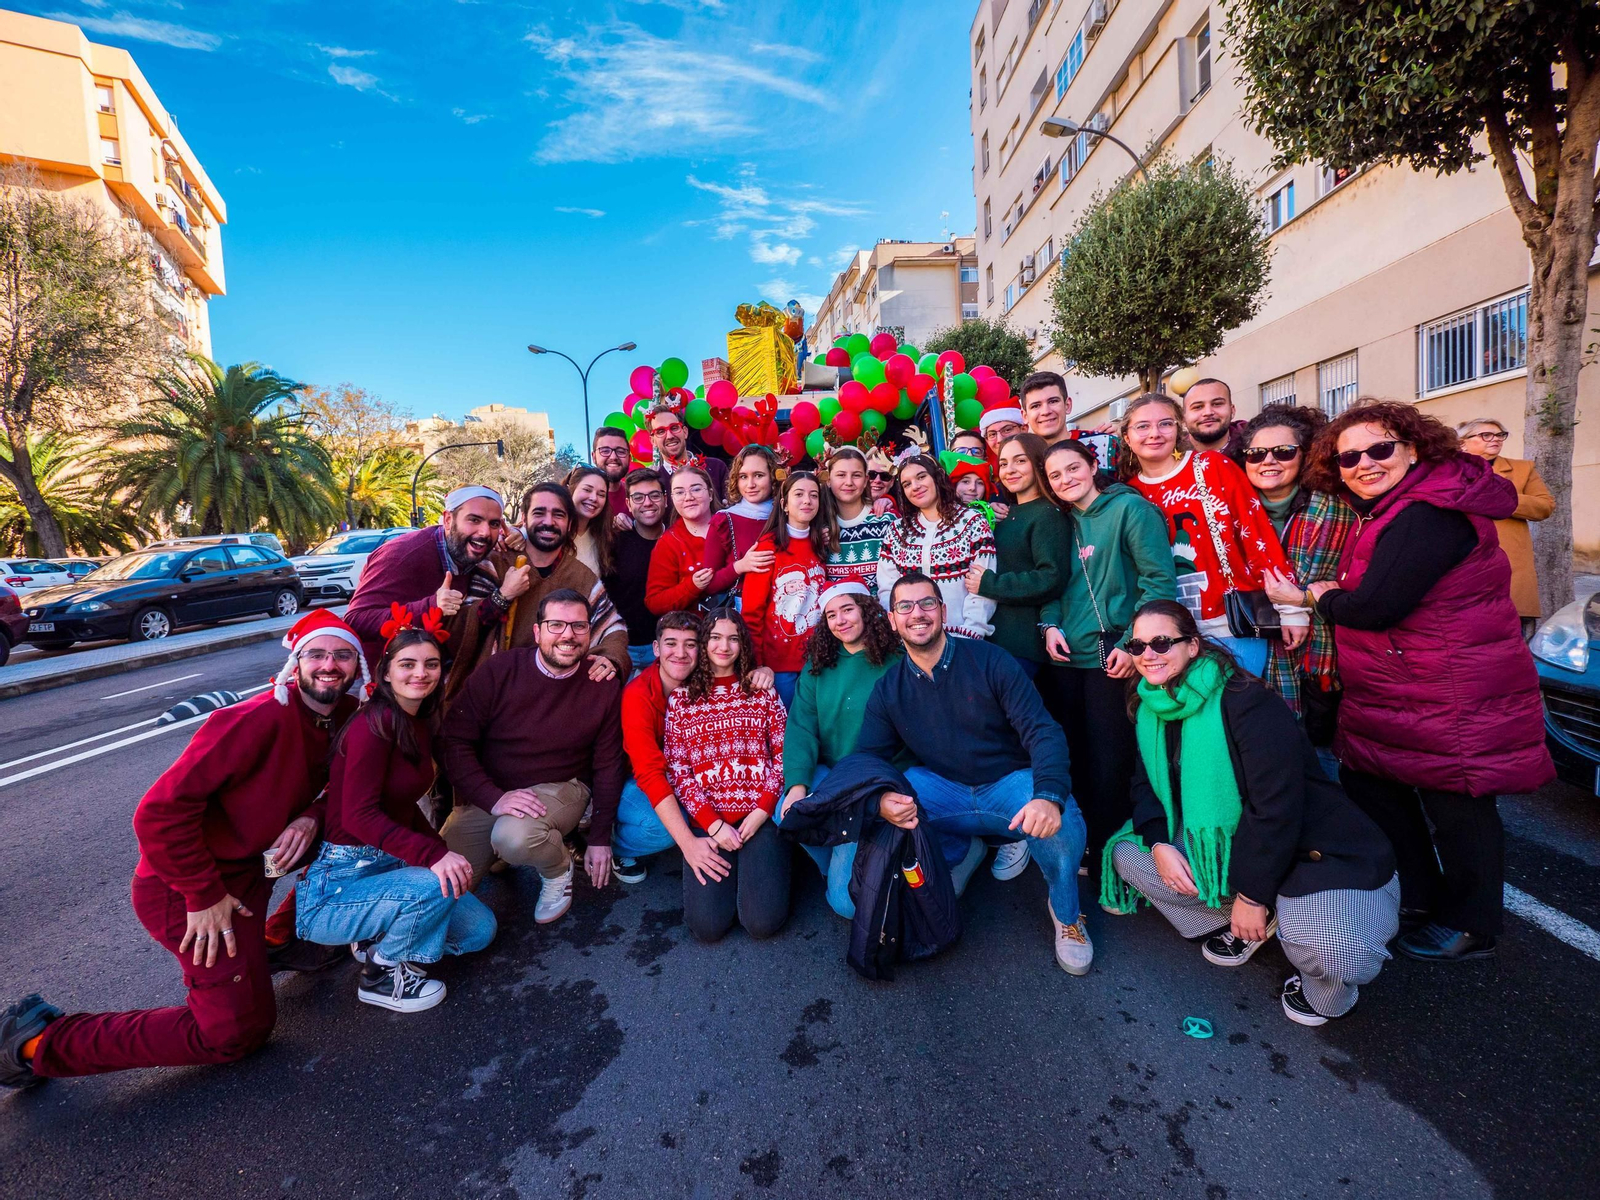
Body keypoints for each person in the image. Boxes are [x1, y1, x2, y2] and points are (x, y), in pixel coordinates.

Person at [1, 612, 363, 1088]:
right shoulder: (253, 719)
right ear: (296, 662)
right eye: (317, 654)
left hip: (253, 874)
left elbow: (348, 790)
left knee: (359, 830)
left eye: (342, 655)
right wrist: (203, 895)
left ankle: (278, 940)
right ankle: (34, 1045)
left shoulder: (341, 718)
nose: (329, 665)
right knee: (236, 1033)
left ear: (359, 667)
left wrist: (311, 815)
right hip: (189, 893)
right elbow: (157, 814)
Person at [1297, 400, 1553, 962]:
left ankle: (1471, 922)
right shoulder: (1401, 506)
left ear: (1414, 448)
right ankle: (1419, 894)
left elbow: (1376, 606)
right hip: (1408, 684)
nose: (1365, 463)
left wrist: (1322, 596)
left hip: (1449, 687)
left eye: (1380, 449)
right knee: (1372, 783)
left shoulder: (1428, 512)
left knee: (1457, 803)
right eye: (1349, 457)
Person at [1103, 601, 1400, 1027]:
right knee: (1132, 857)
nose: (1148, 654)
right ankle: (1253, 920)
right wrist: (1160, 843)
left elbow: (1277, 806)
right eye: (1137, 644)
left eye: (1162, 642)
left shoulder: (1247, 701)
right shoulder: (1152, 704)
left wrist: (1252, 895)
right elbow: (1144, 787)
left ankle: (1315, 976)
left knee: (1338, 953)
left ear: (1192, 645)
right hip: (1242, 843)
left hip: (1311, 849)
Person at [853, 573, 1093, 974]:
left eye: (927, 603)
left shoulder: (990, 660)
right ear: (892, 620)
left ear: (943, 611)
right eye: (905, 607)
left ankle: (1067, 915)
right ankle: (956, 855)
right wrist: (880, 800)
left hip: (1008, 785)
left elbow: (1042, 730)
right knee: (892, 799)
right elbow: (868, 759)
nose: (918, 614)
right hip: (945, 789)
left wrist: (1048, 795)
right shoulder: (888, 689)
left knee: (1063, 816)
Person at [297, 616, 496, 1013]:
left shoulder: (416, 719)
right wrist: (434, 857)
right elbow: (358, 816)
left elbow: (401, 806)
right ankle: (381, 975)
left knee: (479, 931)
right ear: (386, 671)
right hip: (339, 885)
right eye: (408, 664)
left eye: (432, 664)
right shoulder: (375, 725)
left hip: (387, 865)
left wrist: (435, 848)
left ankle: (381, 934)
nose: (421, 673)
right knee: (435, 885)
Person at [438, 589, 626, 924]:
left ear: (589, 633)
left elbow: (609, 764)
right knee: (440, 882)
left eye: (578, 626)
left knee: (513, 837)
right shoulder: (500, 671)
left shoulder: (601, 683)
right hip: (496, 793)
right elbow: (455, 741)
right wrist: (492, 798)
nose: (567, 635)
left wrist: (599, 837)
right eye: (556, 625)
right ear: (537, 632)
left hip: (563, 786)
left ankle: (557, 869)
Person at [1040, 438, 1176, 853]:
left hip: (1113, 654)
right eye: (1055, 475)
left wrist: (1133, 644)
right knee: (1074, 756)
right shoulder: (1060, 521)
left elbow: (1159, 583)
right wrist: (1048, 624)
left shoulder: (1130, 510)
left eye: (1073, 468)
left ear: (1093, 463)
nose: (1066, 479)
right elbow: (1053, 581)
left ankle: (1114, 858)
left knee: (1111, 762)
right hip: (1065, 658)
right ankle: (1084, 845)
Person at [1120, 392, 1309, 677]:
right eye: (1142, 426)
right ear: (1126, 437)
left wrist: (1291, 609)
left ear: (1179, 429)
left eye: (1165, 424)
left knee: (1237, 711)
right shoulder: (1128, 493)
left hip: (1232, 623)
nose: (1154, 434)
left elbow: (1256, 534)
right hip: (1167, 639)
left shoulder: (1211, 467)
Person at [614, 611, 778, 885]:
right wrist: (689, 842)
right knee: (664, 830)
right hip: (634, 781)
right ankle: (615, 844)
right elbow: (650, 774)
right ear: (656, 648)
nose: (680, 653)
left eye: (690, 644)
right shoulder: (638, 696)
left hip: (676, 776)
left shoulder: (701, 684)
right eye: (670, 643)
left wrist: (764, 670)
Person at [777, 584, 905, 918]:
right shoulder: (820, 663)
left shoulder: (897, 659)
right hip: (829, 771)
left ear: (865, 609)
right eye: (831, 615)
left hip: (874, 779)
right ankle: (831, 861)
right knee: (787, 812)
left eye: (847, 609)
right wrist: (797, 786)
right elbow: (802, 727)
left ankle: (846, 863)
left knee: (846, 905)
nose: (840, 620)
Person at [664, 609, 791, 942]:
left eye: (733, 638)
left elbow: (783, 755)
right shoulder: (682, 700)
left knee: (762, 923)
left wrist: (764, 809)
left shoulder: (762, 692)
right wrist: (711, 823)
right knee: (707, 926)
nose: (724, 646)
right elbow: (678, 770)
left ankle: (768, 865)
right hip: (711, 822)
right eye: (715, 637)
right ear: (704, 643)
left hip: (759, 818)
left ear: (743, 645)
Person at [1235, 408, 1356, 736]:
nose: (1268, 461)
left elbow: (1360, 585)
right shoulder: (1229, 514)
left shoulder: (1342, 508)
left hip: (1328, 652)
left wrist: (1303, 601)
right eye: (1256, 454)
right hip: (1255, 648)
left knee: (1323, 746)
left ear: (1306, 456)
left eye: (1284, 452)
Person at [458, 482, 627, 689]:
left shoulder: (582, 576)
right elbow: (464, 629)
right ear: (523, 517)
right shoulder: (496, 564)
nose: (549, 522)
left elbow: (613, 627)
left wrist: (610, 657)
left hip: (557, 690)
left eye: (558, 514)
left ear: (569, 522)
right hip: (496, 688)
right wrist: (502, 596)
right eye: (539, 512)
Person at [346, 485, 531, 669]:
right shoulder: (402, 555)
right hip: (389, 683)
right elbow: (355, 620)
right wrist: (432, 606)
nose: (484, 532)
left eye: (494, 524)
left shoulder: (473, 551)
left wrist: (517, 537)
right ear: (448, 520)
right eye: (474, 520)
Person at [969, 432, 1072, 678]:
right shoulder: (1005, 514)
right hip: (994, 639)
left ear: (1038, 463)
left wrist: (989, 584)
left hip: (1023, 644)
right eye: (1003, 463)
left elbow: (1051, 577)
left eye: (1020, 461)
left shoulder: (1047, 514)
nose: (1010, 470)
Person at [877, 454, 997, 641]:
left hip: (962, 639)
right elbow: (888, 590)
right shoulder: (897, 531)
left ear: (937, 477)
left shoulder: (972, 522)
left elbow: (983, 586)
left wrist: (971, 631)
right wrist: (902, 633)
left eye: (921, 476)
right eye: (907, 484)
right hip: (911, 642)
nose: (915, 486)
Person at [741, 470, 835, 705]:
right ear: (784, 504)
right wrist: (757, 663)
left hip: (818, 661)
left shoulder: (820, 545)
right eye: (799, 494)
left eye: (814, 495)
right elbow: (752, 611)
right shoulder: (769, 546)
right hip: (779, 666)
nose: (807, 501)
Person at [1457, 417, 1554, 635]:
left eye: (1500, 435)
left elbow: (1545, 506)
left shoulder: (1522, 469)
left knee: (1511, 640)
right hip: (1460, 567)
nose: (1496, 440)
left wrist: (1500, 498)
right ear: (1463, 443)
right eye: (1486, 435)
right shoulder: (1447, 472)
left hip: (1509, 568)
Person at [605, 468, 669, 672]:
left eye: (654, 495)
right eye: (638, 497)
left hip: (665, 647)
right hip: (622, 647)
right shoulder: (613, 542)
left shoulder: (677, 540)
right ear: (628, 504)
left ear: (665, 500)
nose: (648, 503)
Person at [701, 444, 777, 596]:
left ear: (773, 476)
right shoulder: (724, 521)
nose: (751, 484)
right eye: (743, 477)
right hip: (741, 610)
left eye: (759, 475)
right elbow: (708, 585)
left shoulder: (787, 515)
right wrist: (739, 566)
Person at [645, 465, 718, 615]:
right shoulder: (669, 543)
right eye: (679, 492)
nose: (688, 497)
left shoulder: (731, 527)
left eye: (696, 489)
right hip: (693, 633)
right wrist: (692, 586)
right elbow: (655, 602)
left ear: (710, 494)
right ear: (672, 499)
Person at [824, 446, 895, 586]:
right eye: (841, 475)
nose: (849, 482)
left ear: (865, 480)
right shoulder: (819, 525)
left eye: (856, 475)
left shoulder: (886, 520)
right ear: (828, 480)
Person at [647, 401, 728, 497]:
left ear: (685, 432)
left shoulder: (716, 468)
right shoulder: (655, 483)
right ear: (653, 441)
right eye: (660, 431)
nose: (669, 436)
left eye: (674, 428)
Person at [563, 464, 616, 579]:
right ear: (569, 489)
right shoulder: (551, 532)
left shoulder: (604, 538)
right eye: (587, 490)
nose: (593, 498)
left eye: (601, 494)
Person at [1181, 378, 1246, 458]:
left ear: (1232, 410)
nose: (1208, 412)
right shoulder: (1169, 455)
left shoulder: (1255, 449)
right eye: (1198, 407)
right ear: (1183, 418)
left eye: (1217, 404)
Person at [592, 424, 636, 530]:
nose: (613, 457)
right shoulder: (584, 498)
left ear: (629, 458)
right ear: (594, 457)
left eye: (620, 451)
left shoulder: (637, 496)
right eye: (605, 451)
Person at [1020, 371, 1072, 442]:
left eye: (1053, 401)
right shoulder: (1021, 452)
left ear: (1067, 405)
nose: (1046, 412)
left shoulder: (1092, 444)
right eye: (1035, 406)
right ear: (1025, 416)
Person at [865, 445, 898, 514]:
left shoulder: (902, 508)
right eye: (872, 474)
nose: (877, 480)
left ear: (892, 481)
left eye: (885, 476)